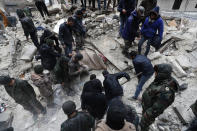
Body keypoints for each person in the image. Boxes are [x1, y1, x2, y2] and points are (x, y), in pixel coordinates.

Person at [140, 64, 180, 131]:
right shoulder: (160, 80)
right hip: (146, 108)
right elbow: (153, 90)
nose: (154, 73)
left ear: (162, 74)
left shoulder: (167, 92)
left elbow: (157, 109)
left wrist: (145, 117)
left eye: (156, 72)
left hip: (148, 115)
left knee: (142, 126)